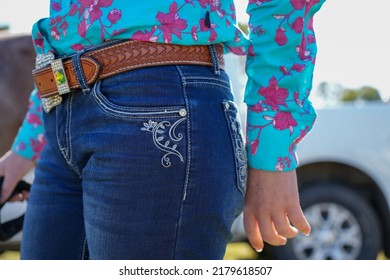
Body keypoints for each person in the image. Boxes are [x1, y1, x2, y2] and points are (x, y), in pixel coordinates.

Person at [0, 0, 325, 259]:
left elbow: (283, 6)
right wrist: (22, 154)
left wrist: (272, 153)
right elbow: (68, 37)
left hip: (159, 99)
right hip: (60, 117)